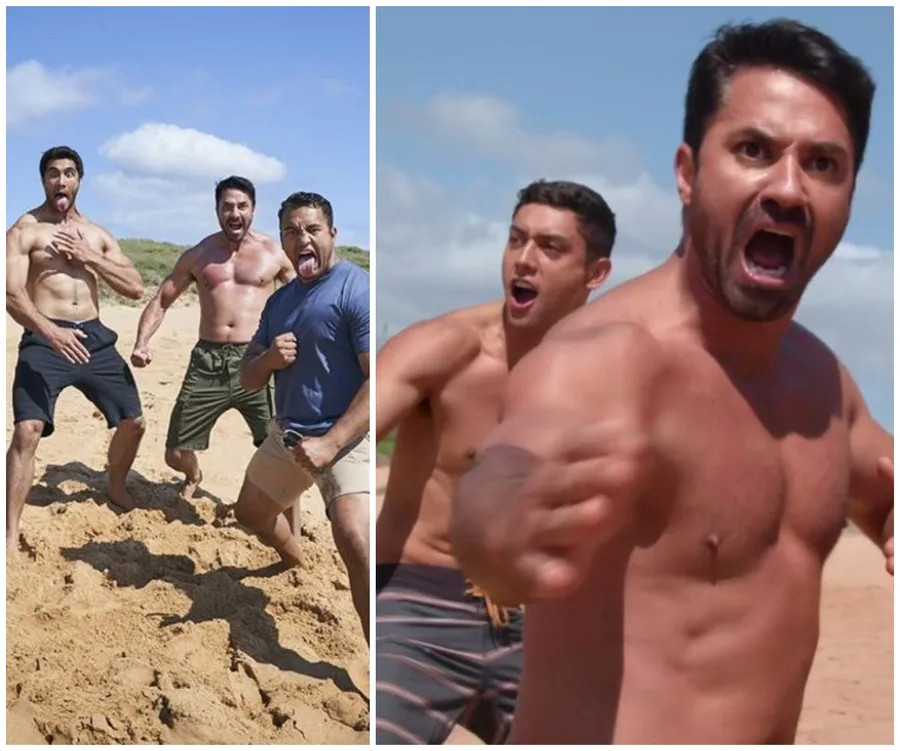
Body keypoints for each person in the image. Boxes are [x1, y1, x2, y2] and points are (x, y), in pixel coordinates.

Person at [451, 19, 893, 745]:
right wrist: (496, 526)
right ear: (688, 172)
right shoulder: (608, 354)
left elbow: (885, 485)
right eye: (754, 150)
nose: (787, 187)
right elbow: (507, 470)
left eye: (823, 164)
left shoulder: (825, 388)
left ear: (849, 196)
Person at [375, 180, 617, 745]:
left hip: (544, 620)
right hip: (421, 597)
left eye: (550, 248)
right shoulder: (447, 346)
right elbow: (357, 428)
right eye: (516, 240)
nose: (524, 260)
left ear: (595, 273)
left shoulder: (611, 378)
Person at [234, 191, 370, 642]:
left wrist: (332, 443)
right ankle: (295, 558)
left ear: (332, 233)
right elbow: (248, 379)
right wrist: (269, 358)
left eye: (312, 229)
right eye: (291, 232)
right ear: (282, 241)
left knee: (355, 540)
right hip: (290, 436)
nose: (302, 239)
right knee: (250, 513)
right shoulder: (280, 303)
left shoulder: (357, 288)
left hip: (347, 437)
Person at [6, 146, 146, 553]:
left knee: (134, 422)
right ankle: (10, 532)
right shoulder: (25, 230)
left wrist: (89, 258)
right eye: (52, 173)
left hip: (94, 337)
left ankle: (115, 485)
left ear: (79, 180)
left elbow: (135, 287)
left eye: (68, 173)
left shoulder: (97, 235)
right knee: (27, 430)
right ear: (44, 181)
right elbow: (12, 295)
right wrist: (50, 332)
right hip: (44, 337)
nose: (61, 180)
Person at [130, 175, 295, 510]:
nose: (234, 213)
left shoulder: (273, 254)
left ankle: (290, 525)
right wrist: (142, 341)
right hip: (208, 361)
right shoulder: (199, 255)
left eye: (242, 206)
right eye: (227, 206)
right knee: (175, 452)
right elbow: (162, 298)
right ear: (217, 210)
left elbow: (304, 300)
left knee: (283, 449)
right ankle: (193, 475)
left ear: (253, 209)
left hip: (258, 359)